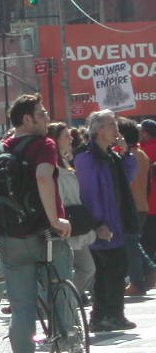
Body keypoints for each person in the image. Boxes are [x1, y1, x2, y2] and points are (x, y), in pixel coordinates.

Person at [0, 94, 72, 353]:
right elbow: (43, 178)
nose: (47, 117)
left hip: (10, 236)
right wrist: (55, 219)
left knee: (22, 307)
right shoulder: (44, 144)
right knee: (60, 297)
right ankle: (66, 345)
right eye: (42, 113)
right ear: (27, 119)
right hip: (44, 233)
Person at [75, 110, 139, 332]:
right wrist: (97, 224)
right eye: (112, 125)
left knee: (114, 271)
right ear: (99, 129)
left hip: (115, 223)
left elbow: (128, 178)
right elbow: (89, 195)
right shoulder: (87, 158)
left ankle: (106, 315)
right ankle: (107, 315)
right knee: (107, 272)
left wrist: (128, 152)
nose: (116, 130)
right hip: (102, 226)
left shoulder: (113, 156)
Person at [47, 123, 97, 301]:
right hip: (64, 224)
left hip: (76, 223)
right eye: (66, 136)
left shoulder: (66, 162)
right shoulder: (51, 167)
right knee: (79, 269)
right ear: (55, 140)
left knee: (87, 268)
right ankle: (61, 305)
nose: (71, 138)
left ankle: (64, 303)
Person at [118, 117, 156, 295]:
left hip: (132, 206)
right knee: (133, 242)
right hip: (142, 205)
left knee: (131, 244)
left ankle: (137, 281)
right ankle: (148, 270)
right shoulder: (142, 154)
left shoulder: (130, 156)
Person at [140, 119, 156, 260]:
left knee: (148, 243)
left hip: (150, 204)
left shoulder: (145, 152)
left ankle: (150, 274)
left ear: (145, 133)